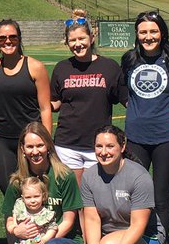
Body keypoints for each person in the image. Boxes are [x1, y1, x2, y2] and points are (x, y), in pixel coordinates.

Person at [120, 11, 169, 244]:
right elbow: (123, 92)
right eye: (143, 32)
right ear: (137, 35)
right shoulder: (129, 60)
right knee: (134, 198)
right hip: (135, 138)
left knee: (161, 199)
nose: (148, 37)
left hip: (166, 138)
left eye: (153, 31)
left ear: (162, 33)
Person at [0, 121, 85, 244]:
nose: (35, 151)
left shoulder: (64, 176)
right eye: (30, 146)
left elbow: (69, 220)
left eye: (39, 145)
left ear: (48, 146)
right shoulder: (17, 181)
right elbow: (9, 218)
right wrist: (15, 229)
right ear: (23, 149)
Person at [79, 125, 157, 244]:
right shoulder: (89, 176)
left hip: (144, 238)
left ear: (122, 147)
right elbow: (92, 218)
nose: (103, 152)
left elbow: (139, 224)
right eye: (99, 146)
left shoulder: (139, 176)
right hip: (107, 241)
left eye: (109, 146)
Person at [50, 10, 125, 183]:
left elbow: (126, 99)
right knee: (75, 201)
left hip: (99, 146)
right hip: (67, 145)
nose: (78, 44)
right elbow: (54, 102)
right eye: (72, 40)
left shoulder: (110, 67)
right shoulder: (62, 68)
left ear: (91, 38)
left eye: (81, 38)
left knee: (98, 200)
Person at [0, 20, 52, 194]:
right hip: (3, 141)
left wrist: (47, 142)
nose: (8, 41)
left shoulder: (35, 67)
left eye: (12, 37)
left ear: (19, 39)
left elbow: (45, 108)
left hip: (32, 141)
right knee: (10, 192)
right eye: (2, 38)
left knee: (35, 192)